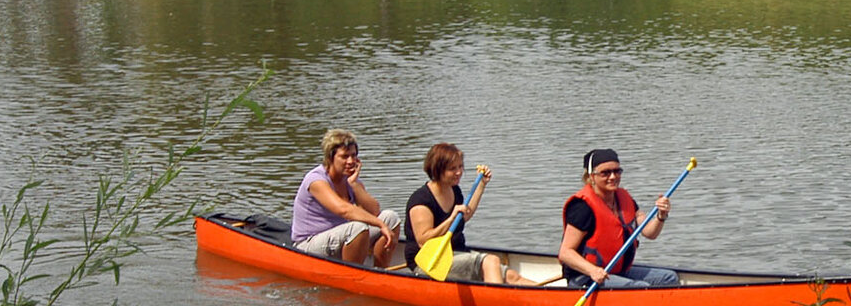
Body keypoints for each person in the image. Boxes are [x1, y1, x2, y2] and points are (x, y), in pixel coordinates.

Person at [404, 143, 536, 284]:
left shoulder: (454, 190)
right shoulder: (421, 201)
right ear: (437, 170)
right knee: (491, 261)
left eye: (460, 166)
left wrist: (481, 185)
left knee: (512, 277)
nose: (459, 172)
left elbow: (464, 216)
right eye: (452, 169)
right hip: (429, 262)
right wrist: (451, 218)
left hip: (457, 253)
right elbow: (423, 240)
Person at [557, 148, 679, 288]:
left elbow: (650, 233)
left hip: (617, 271)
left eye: (617, 171)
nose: (613, 177)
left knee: (669, 278)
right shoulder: (582, 208)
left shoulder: (625, 200)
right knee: (638, 287)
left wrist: (661, 215)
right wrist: (593, 270)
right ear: (591, 176)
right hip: (585, 277)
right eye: (605, 173)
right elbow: (565, 253)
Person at [291, 129, 401, 267]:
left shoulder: (350, 180)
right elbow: (343, 210)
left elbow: (374, 211)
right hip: (308, 244)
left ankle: (380, 271)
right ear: (330, 158)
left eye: (354, 156)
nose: (350, 161)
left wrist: (354, 185)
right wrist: (380, 225)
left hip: (341, 237)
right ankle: (353, 276)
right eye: (344, 157)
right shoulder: (316, 180)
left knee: (391, 218)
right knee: (357, 228)